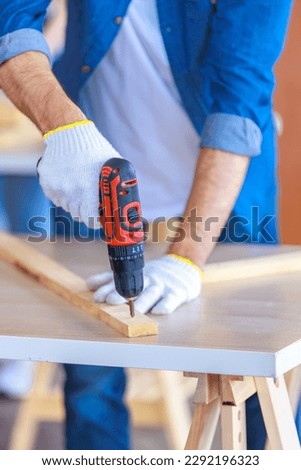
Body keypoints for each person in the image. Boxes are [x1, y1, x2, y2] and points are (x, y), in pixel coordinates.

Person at [0, 0, 296, 450]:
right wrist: (65, 131)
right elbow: (10, 18)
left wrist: (185, 261)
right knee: (90, 376)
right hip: (92, 166)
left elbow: (241, 92)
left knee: (254, 363)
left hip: (224, 182)